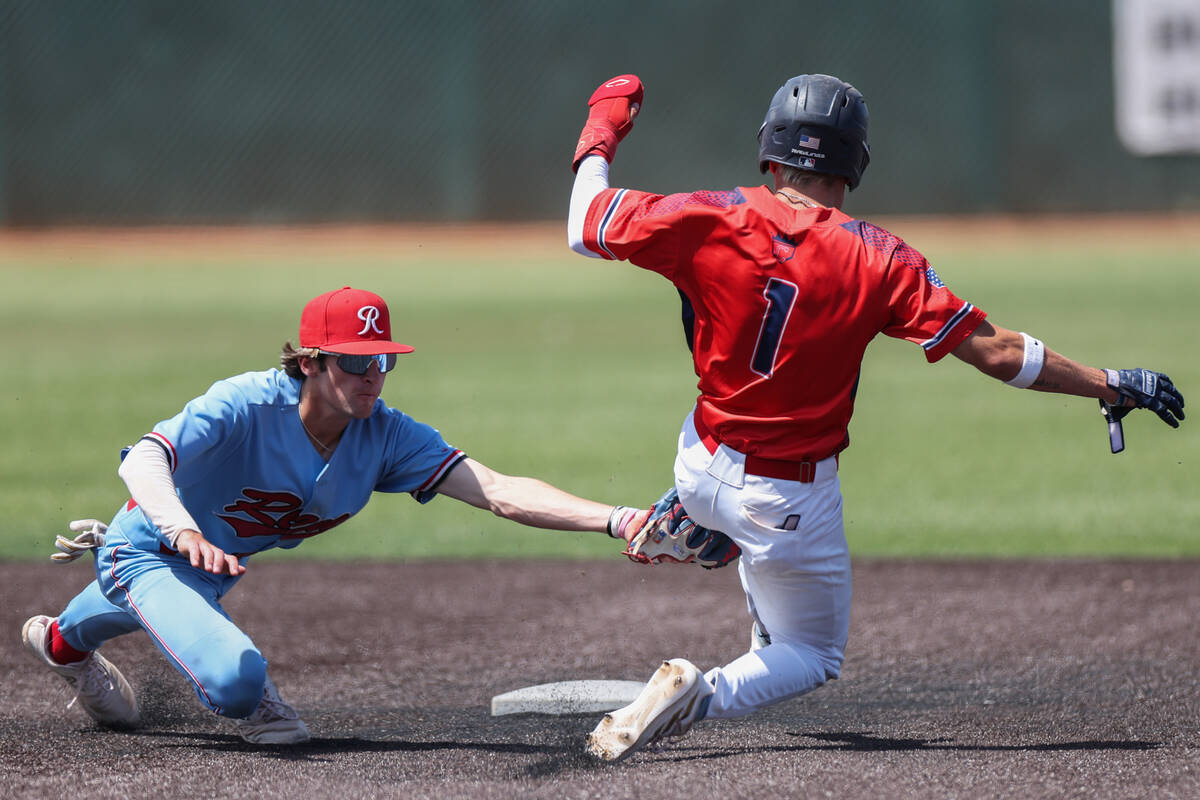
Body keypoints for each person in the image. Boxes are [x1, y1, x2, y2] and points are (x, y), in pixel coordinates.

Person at [566, 73, 1186, 762]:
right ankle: (698, 692)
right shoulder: (880, 258)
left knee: (739, 526)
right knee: (812, 652)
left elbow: (584, 222)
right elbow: (1000, 353)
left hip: (701, 453)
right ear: (854, 162)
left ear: (771, 153)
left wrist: (603, 129)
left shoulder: (708, 215)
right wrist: (1107, 384)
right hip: (787, 495)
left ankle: (694, 514)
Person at [22, 285, 652, 744]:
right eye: (354, 360)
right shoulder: (246, 403)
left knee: (167, 598)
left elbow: (496, 489)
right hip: (152, 545)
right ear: (310, 362)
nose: (372, 375)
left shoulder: (386, 435)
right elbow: (144, 460)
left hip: (209, 568)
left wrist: (619, 518)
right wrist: (179, 528)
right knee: (238, 682)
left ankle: (60, 643)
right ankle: (240, 688)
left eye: (383, 359)